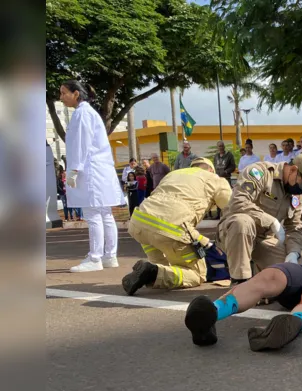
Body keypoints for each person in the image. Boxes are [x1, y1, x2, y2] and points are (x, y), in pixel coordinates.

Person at [121, 158, 232, 294]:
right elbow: (233, 211)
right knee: (197, 274)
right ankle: (153, 274)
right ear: (210, 170)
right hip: (170, 227)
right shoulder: (214, 179)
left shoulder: (173, 174)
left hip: (139, 223)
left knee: (164, 267)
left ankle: (152, 270)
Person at [217, 155, 302, 283]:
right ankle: (240, 282)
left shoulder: (296, 194)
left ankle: (258, 273)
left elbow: (295, 228)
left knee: (299, 273)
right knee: (242, 223)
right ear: (293, 170)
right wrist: (270, 221)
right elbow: (238, 202)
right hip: (234, 233)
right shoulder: (261, 173)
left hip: (264, 239)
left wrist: (293, 253)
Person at [60, 79, 124, 272]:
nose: (61, 97)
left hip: (91, 170)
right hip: (98, 169)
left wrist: (74, 170)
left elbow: (81, 144)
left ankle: (95, 258)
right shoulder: (88, 113)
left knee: (93, 213)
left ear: (76, 94)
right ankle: (109, 256)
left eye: (63, 93)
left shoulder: (82, 114)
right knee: (105, 213)